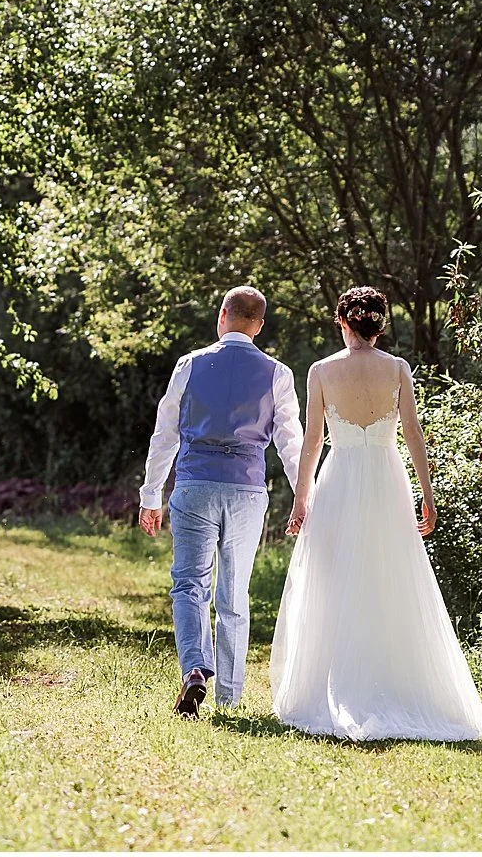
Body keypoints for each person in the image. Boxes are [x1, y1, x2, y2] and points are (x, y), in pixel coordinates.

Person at [269, 285, 482, 741]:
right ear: (379, 324)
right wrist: (428, 494)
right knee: (391, 576)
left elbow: (312, 443)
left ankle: (334, 684)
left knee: (335, 576)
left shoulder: (322, 370)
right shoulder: (398, 369)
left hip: (341, 478)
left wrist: (301, 499)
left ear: (342, 321)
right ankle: (393, 683)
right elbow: (412, 433)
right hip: (389, 481)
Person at [139, 285, 304, 717]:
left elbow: (165, 434)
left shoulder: (190, 365)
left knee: (190, 585)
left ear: (223, 315)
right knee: (234, 594)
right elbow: (291, 443)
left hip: (195, 486)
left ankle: (194, 669)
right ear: (259, 326)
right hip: (247, 491)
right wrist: (305, 498)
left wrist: (150, 494)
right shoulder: (278, 373)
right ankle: (228, 697)